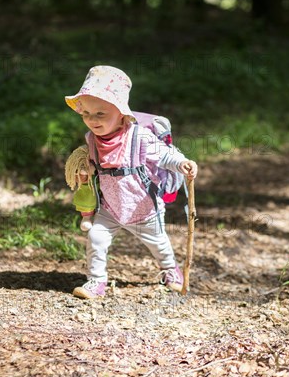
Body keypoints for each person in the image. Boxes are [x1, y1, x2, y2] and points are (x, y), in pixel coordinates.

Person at [65, 65, 198, 299]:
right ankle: (96, 281)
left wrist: (182, 163)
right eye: (86, 113)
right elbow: (96, 165)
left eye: (100, 114)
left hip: (143, 208)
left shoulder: (139, 136)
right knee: (96, 237)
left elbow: (165, 155)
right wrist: (86, 169)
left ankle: (171, 270)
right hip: (111, 207)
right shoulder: (92, 139)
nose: (91, 120)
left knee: (159, 244)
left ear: (121, 113)